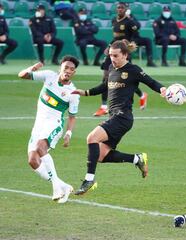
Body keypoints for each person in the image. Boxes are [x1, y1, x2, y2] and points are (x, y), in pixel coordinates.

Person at [72, 40, 167, 195]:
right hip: (115, 116)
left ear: (125, 55)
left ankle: (89, 180)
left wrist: (162, 89)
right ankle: (137, 159)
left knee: (92, 138)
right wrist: (85, 92)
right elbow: (104, 86)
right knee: (101, 156)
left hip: (123, 117)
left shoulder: (133, 70)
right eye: (110, 55)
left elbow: (151, 82)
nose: (112, 59)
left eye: (115, 55)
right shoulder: (111, 68)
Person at [17, 55, 80, 204]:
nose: (68, 71)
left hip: (54, 123)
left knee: (40, 147)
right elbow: (22, 75)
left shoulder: (73, 93)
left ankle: (56, 187)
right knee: (33, 160)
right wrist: (33, 68)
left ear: (74, 72)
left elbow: (72, 116)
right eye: (66, 68)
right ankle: (64, 186)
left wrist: (68, 133)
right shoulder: (49, 76)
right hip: (38, 124)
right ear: (61, 68)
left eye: (72, 69)